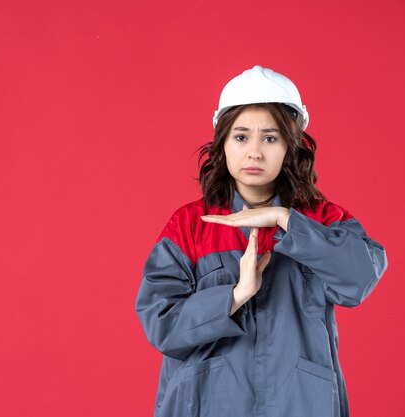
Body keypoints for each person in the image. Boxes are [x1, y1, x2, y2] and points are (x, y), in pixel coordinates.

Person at [134, 65, 388, 417]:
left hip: (299, 404)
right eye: (241, 137)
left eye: (269, 138)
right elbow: (162, 324)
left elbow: (360, 277)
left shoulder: (322, 220)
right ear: (222, 142)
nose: (254, 152)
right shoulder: (190, 225)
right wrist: (235, 295)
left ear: (291, 146)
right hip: (205, 403)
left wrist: (286, 220)